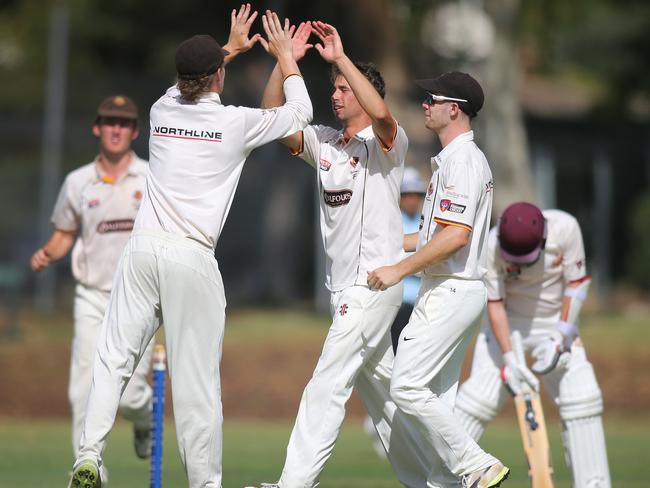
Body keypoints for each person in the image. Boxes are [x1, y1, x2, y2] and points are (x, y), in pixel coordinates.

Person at [68, 6, 312, 488]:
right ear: (220, 77)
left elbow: (190, 78)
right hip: (192, 257)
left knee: (113, 359)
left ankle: (90, 454)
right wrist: (286, 59)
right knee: (196, 388)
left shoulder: (161, 110)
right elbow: (298, 114)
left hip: (140, 250)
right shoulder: (235, 123)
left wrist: (230, 47)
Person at [259, 21, 439, 488]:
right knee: (384, 398)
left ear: (361, 92)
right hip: (344, 286)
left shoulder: (388, 144)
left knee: (326, 383)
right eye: (334, 88)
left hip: (373, 282)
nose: (335, 95)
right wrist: (286, 62)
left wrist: (341, 58)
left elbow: (382, 114)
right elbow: (269, 116)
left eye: (343, 88)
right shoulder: (322, 141)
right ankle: (440, 481)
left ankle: (293, 483)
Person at [368, 72, 510, 488]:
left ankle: (476, 462)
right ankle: (446, 482)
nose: (425, 104)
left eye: (432, 98)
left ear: (455, 109)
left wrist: (398, 270)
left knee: (407, 387)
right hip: (450, 289)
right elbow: (434, 235)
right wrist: (386, 246)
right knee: (437, 398)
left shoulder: (463, 161)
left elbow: (455, 236)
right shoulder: (451, 159)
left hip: (451, 289)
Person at [30, 94, 153, 470]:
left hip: (138, 299)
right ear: (97, 128)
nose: (115, 129)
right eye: (109, 122)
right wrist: (49, 251)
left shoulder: (150, 177)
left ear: (134, 131)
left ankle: (145, 422)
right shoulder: (78, 181)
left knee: (130, 396)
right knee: (81, 390)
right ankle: (88, 469)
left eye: (123, 123)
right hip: (92, 296)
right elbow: (66, 230)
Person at [455, 202, 611, 488]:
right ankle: (440, 480)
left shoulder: (566, 228)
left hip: (554, 322)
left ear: (543, 238)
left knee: (582, 392)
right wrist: (510, 359)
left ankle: (594, 483)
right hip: (507, 323)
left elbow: (577, 284)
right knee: (478, 398)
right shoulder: (491, 243)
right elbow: (496, 303)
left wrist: (561, 334)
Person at [363, 166, 427, 457]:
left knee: (412, 367)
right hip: (398, 303)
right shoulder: (393, 221)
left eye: (417, 194)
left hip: (420, 303)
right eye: (408, 194)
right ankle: (383, 421)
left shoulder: (425, 221)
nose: (412, 200)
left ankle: (395, 424)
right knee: (397, 366)